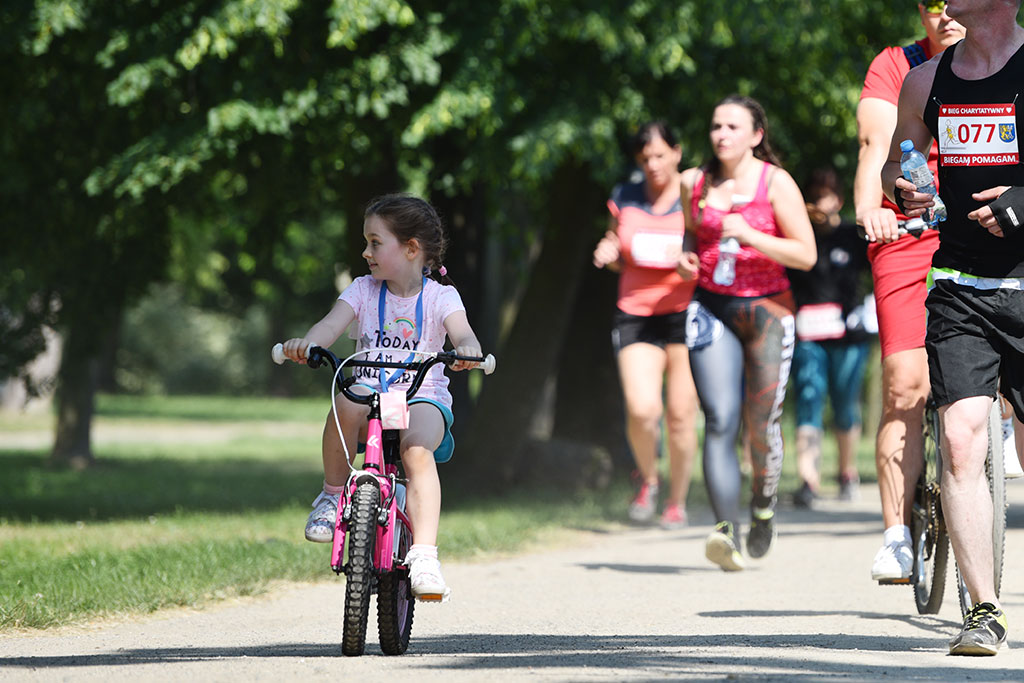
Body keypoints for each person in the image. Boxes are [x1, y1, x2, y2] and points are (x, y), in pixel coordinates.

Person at [880, 0, 1024, 655]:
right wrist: (905, 185)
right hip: (960, 286)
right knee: (961, 441)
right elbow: (898, 160)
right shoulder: (925, 80)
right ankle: (984, 612)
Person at [280, 193, 483, 602]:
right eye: (366, 242)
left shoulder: (441, 297)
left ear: (411, 248)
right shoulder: (363, 290)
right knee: (345, 401)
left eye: (375, 242)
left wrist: (467, 351)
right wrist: (309, 344)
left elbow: (463, 334)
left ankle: (424, 554)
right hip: (371, 392)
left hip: (421, 395)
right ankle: (332, 494)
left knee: (417, 451)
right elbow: (330, 325)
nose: (365, 252)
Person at [853, 1, 967, 584]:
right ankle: (897, 535)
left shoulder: (1008, 60)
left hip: (987, 223)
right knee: (904, 384)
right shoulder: (898, 65)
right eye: (933, 3)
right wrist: (871, 208)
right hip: (907, 227)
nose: (946, 13)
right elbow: (876, 146)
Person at [677, 95, 816, 571]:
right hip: (711, 306)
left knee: (760, 426)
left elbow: (806, 255)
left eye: (733, 127)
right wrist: (686, 255)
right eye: (716, 126)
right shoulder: (692, 182)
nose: (722, 135)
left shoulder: (776, 183)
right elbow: (690, 233)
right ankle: (724, 531)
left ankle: (762, 507)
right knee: (719, 418)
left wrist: (751, 234)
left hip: (768, 310)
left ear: (756, 135)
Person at [593, 121, 699, 529]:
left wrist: (692, 265)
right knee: (642, 410)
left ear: (677, 153)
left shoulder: (695, 195)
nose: (653, 164)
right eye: (645, 158)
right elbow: (617, 245)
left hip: (685, 312)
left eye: (660, 155)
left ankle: (677, 500)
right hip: (636, 312)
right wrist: (609, 251)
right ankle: (649, 481)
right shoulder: (626, 195)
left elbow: (710, 248)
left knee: (681, 414)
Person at [787, 168, 873, 508]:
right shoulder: (797, 237)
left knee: (845, 403)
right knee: (808, 398)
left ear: (837, 199)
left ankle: (847, 473)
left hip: (848, 336)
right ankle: (808, 480)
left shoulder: (853, 236)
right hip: (807, 335)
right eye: (813, 196)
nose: (819, 202)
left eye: (824, 195)